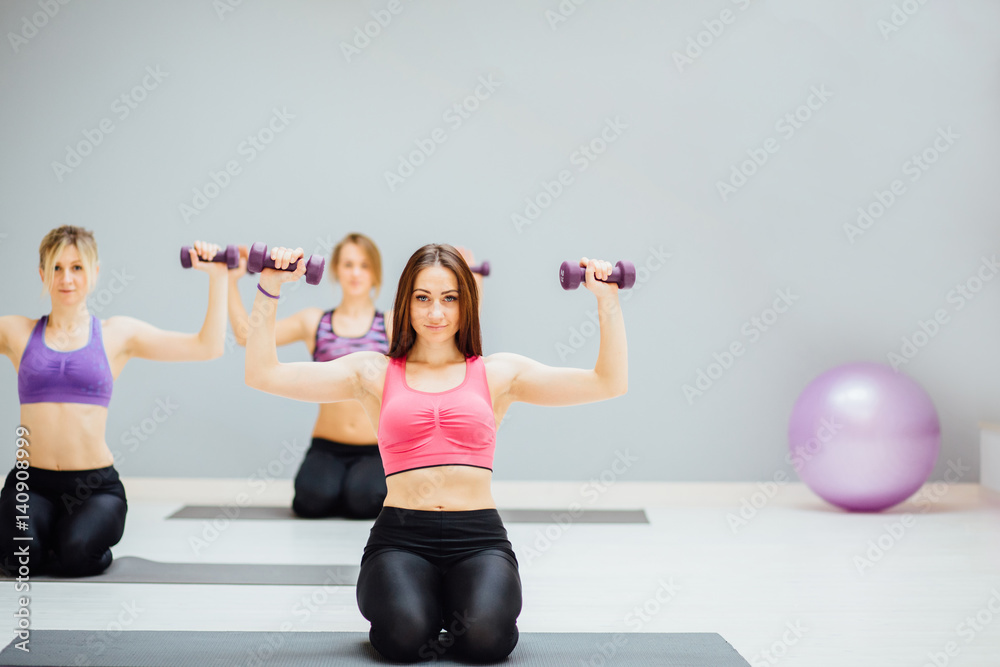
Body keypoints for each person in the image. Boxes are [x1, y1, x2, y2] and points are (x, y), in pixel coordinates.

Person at [244, 243, 627, 662]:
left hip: (478, 539)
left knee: (486, 639)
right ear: (405, 302)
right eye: (422, 298)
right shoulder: (372, 372)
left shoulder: (498, 372)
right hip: (401, 539)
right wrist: (269, 285)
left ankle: (456, 599)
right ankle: (423, 602)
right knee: (404, 636)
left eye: (449, 299)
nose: (436, 313)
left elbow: (607, 382)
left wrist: (607, 300)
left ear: (467, 303)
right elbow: (263, 374)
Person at [0, 226, 228, 577]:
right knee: (21, 559)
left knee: (76, 555)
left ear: (94, 273)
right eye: (56, 268)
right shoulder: (16, 331)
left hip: (94, 488)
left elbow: (207, 346)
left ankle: (66, 540)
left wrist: (218, 276)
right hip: (31, 484)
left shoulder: (117, 334)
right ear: (42, 273)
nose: (67, 278)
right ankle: (40, 541)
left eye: (77, 267)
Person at [227, 233, 483, 520]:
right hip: (327, 445)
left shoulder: (391, 323)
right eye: (348, 264)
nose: (356, 273)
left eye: (364, 265)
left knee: (365, 500)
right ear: (336, 270)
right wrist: (230, 280)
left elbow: (447, 335)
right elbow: (245, 336)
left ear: (375, 273)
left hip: (375, 448)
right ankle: (335, 485)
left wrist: (471, 286)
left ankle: (352, 487)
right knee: (311, 501)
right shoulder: (313, 321)